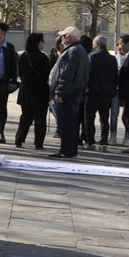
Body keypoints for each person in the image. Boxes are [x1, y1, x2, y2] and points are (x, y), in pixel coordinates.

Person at [49, 26, 92, 159]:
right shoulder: (80, 51)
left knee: (66, 123)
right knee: (71, 123)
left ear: (68, 37)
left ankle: (66, 150)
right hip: (74, 92)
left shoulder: (72, 51)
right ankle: (70, 150)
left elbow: (67, 74)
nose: (62, 39)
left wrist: (60, 92)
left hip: (67, 93)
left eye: (63, 36)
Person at [13, 32, 52, 149]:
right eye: (42, 41)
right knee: (40, 118)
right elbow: (46, 75)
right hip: (40, 91)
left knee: (25, 116)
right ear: (38, 42)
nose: (43, 43)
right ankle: (38, 143)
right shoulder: (43, 57)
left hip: (25, 90)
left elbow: (20, 73)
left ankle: (19, 140)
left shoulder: (23, 56)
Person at [84, 35, 119, 149]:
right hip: (107, 93)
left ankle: (90, 141)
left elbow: (87, 75)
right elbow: (115, 76)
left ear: (96, 45)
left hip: (93, 92)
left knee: (90, 118)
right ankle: (104, 142)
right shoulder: (112, 59)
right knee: (104, 118)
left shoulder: (92, 57)